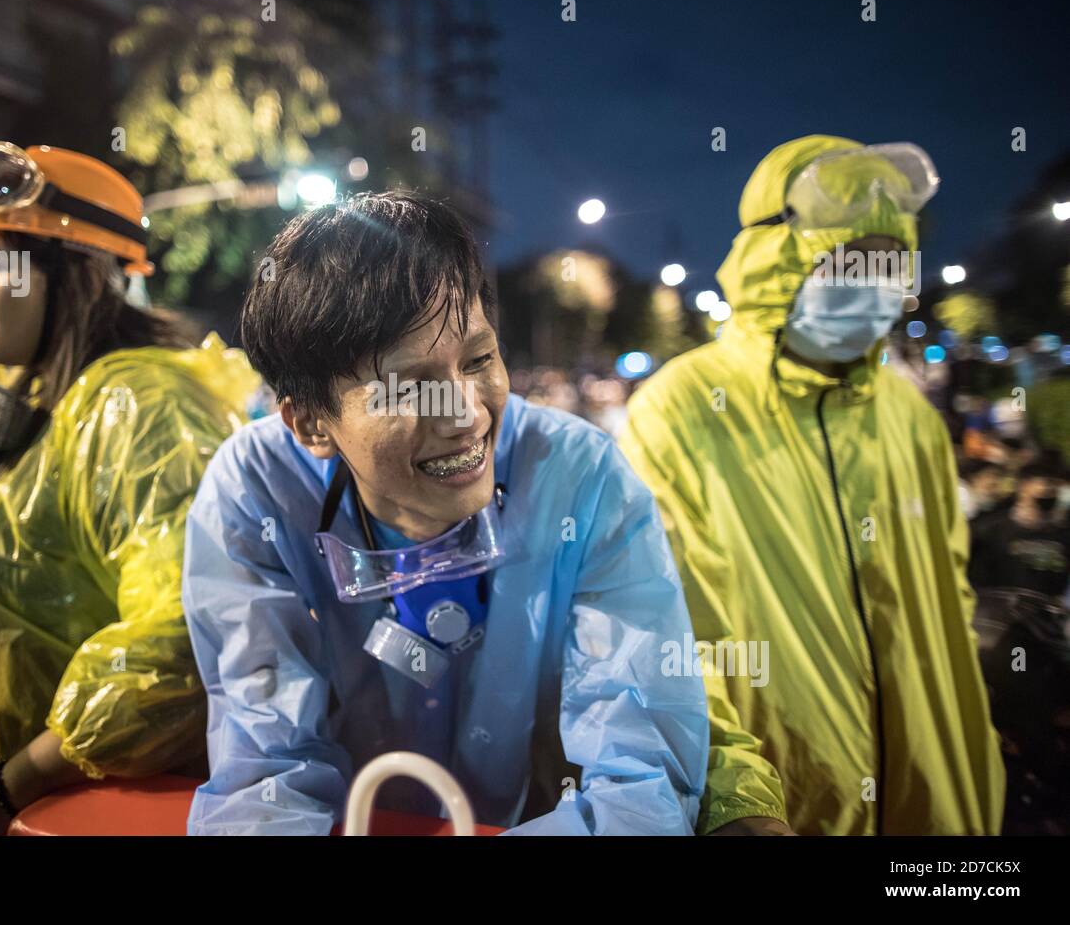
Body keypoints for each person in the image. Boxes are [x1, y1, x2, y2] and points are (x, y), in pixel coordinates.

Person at [182, 192, 708, 835]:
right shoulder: (256, 490)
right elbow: (262, 773)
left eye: (480, 360)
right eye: (411, 387)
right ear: (311, 421)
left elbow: (641, 778)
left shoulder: (581, 478)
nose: (468, 416)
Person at [619, 135, 1004, 835]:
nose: (878, 285)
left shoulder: (908, 414)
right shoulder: (681, 409)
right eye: (853, 262)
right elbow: (660, 629)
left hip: (935, 805)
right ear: (778, 256)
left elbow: (948, 597)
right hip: (789, 802)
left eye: (892, 264)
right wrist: (733, 795)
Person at [0, 141, 258, 834]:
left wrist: (0, 794)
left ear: (76, 280)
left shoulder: (138, 406)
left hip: (50, 819)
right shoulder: (37, 399)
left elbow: (186, 642)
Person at [969, 457, 1070, 599]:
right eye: (1046, 482)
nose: (1052, 489)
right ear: (1023, 486)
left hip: (1047, 616)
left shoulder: (1064, 534)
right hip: (995, 614)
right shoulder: (989, 530)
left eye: (1056, 484)